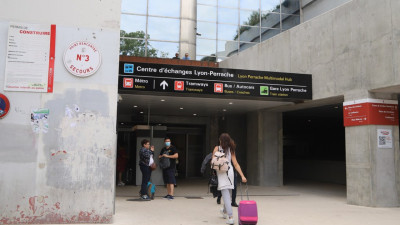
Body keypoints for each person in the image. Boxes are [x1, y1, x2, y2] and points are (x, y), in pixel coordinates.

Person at [213, 133, 247, 225]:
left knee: (226, 195)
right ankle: (224, 211)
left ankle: (230, 217)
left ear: (221, 140)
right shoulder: (230, 149)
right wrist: (242, 175)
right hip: (230, 172)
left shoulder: (217, 148)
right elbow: (235, 164)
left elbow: (213, 162)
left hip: (222, 173)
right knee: (228, 195)